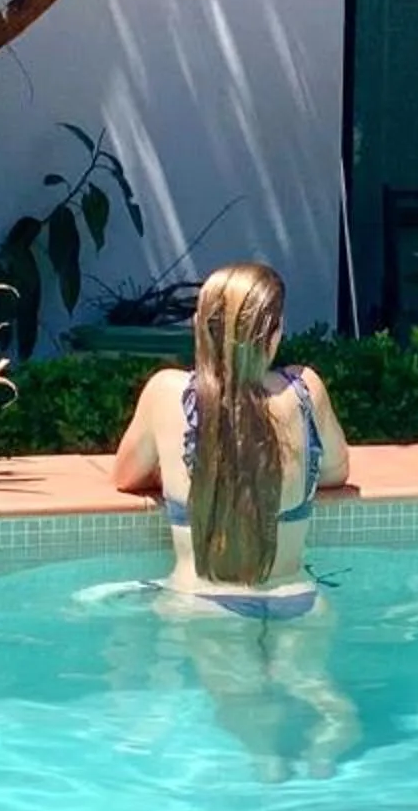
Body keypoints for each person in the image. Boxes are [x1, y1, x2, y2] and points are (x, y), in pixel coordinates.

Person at [111, 260, 357, 775]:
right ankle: (328, 745)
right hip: (298, 599)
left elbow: (126, 475)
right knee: (319, 691)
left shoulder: (166, 394)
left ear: (200, 326)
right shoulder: (305, 390)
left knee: (247, 720)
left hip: (206, 604)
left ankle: (270, 770)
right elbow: (336, 469)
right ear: (275, 333)